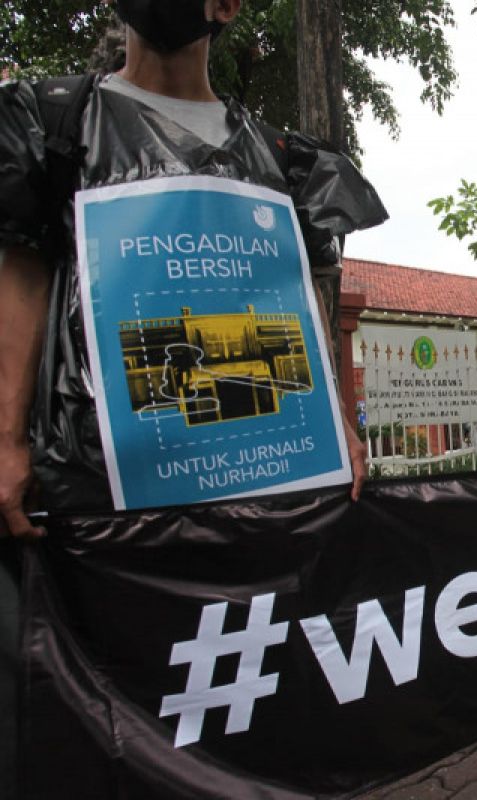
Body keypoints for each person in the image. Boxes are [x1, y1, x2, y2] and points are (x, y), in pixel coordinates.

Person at [0, 3, 386, 794]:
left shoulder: (280, 155)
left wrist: (339, 421)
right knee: (117, 701)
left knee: (264, 691)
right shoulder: (56, 122)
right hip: (107, 486)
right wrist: (5, 435)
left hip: (266, 475)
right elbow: (23, 273)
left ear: (229, 5)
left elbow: (304, 297)